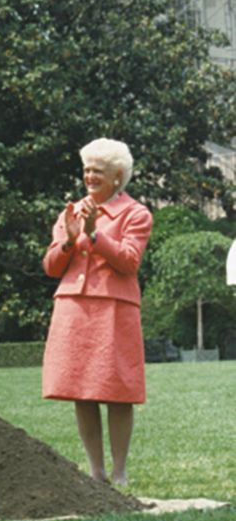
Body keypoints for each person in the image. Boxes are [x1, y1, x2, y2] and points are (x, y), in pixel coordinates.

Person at [41, 138, 152, 486]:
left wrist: (94, 235)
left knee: (117, 391)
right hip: (74, 308)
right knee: (82, 390)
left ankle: (119, 473)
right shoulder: (70, 212)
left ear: (117, 176)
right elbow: (50, 266)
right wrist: (70, 239)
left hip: (114, 311)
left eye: (97, 171)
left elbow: (129, 261)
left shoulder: (137, 214)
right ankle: (96, 473)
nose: (89, 176)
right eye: (86, 170)